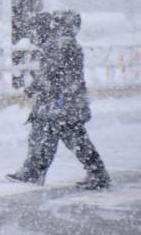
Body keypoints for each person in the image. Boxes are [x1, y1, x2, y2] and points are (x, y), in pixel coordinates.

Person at [7, 10, 110, 190]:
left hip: (60, 102)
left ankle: (34, 172)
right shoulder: (66, 43)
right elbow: (58, 73)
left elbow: (51, 73)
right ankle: (96, 173)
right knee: (59, 136)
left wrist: (33, 88)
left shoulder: (59, 44)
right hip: (67, 101)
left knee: (57, 136)